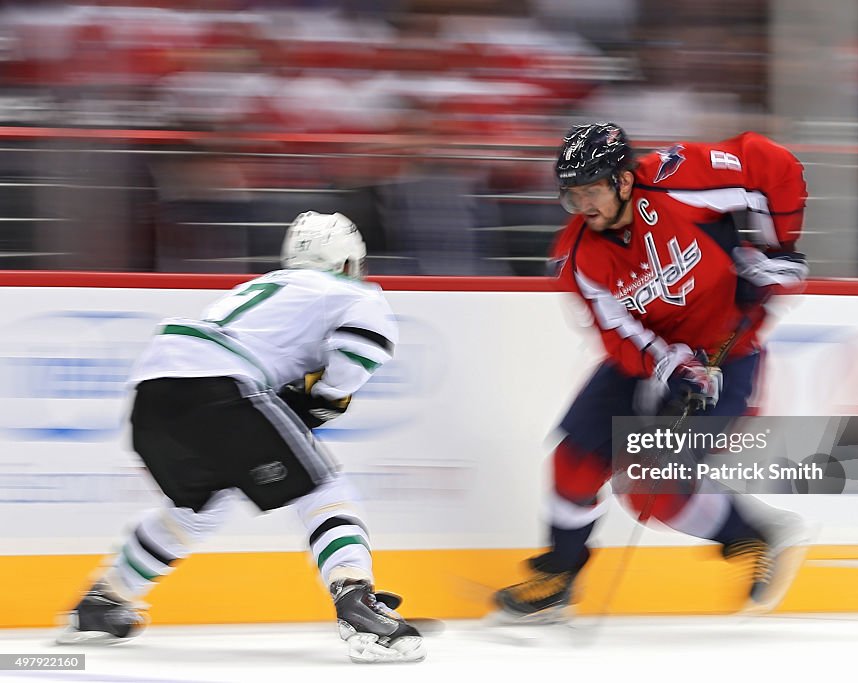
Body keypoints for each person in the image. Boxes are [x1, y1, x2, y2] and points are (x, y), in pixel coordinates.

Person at [56, 211, 425, 664]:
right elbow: (360, 349)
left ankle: (104, 600)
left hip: (152, 393)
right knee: (325, 488)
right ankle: (356, 600)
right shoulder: (353, 291)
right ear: (349, 262)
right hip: (220, 386)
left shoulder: (261, 289)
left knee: (197, 511)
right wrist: (328, 396)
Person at [494, 123, 810, 621]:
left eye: (591, 191)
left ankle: (755, 536)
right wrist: (672, 366)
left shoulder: (678, 179)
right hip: (650, 360)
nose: (583, 207)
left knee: (651, 488)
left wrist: (777, 248)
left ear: (623, 180)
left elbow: (770, 162)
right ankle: (560, 574)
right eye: (572, 197)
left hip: (730, 356)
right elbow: (618, 334)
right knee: (574, 459)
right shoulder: (578, 255)